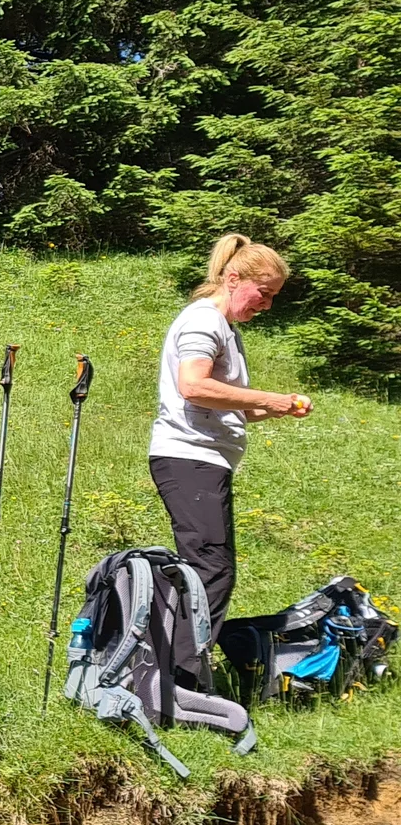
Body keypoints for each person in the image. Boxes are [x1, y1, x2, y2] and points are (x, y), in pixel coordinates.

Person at [151, 234, 314, 637]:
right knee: (211, 569)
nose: (267, 304)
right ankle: (179, 679)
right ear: (234, 278)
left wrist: (278, 407)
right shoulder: (204, 319)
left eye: (274, 296)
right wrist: (269, 397)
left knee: (209, 567)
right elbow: (193, 385)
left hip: (205, 459)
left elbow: (226, 406)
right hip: (189, 457)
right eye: (263, 292)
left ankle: (174, 670)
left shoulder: (223, 327)